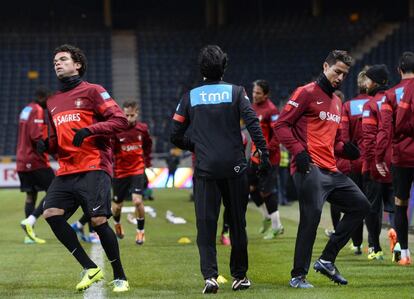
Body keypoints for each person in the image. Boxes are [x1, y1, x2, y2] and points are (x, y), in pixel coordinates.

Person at [170, 45, 269, 294]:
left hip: (205, 169)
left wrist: (196, 145)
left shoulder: (190, 96)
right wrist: (262, 150)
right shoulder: (237, 92)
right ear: (224, 67)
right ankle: (240, 276)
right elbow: (252, 121)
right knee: (237, 223)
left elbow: (174, 134)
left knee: (206, 224)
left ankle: (210, 277)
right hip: (235, 168)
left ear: (201, 68)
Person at [274, 50, 370, 288]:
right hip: (309, 168)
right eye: (337, 71)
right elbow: (281, 125)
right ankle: (298, 276)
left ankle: (327, 259)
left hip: (331, 169)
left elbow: (332, 142)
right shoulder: (305, 93)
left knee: (361, 206)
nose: (339, 77)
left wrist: (345, 149)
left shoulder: (337, 103)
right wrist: (298, 151)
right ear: (325, 66)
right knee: (311, 218)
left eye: (344, 74)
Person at [38, 44, 129, 292]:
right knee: (51, 213)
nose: (57, 63)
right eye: (55, 60)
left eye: (63, 59)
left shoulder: (93, 91)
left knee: (98, 220)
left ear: (77, 64)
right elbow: (59, 141)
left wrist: (91, 129)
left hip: (94, 165)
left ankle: (120, 276)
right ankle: (91, 267)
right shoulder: (53, 101)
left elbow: (119, 120)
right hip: (67, 169)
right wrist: (46, 145)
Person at [377, 52, 414, 265]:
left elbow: (384, 129)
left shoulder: (390, 95)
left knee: (400, 203)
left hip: (400, 157)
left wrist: (380, 156)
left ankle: (405, 255)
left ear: (399, 70)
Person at [329, 69, 371, 255]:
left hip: (354, 163)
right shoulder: (380, 102)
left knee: (356, 203)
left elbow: (344, 137)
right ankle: (375, 246)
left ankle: (357, 243)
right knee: (373, 204)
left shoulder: (349, 105)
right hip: (374, 161)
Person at [361, 64, 394, 260]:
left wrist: (370, 163)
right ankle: (399, 248)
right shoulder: (395, 101)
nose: (365, 84)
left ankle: (375, 248)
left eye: (367, 79)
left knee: (372, 208)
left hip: (375, 163)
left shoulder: (370, 105)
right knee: (397, 205)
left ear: (375, 82)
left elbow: (369, 138)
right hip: (396, 162)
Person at [17, 86, 55, 244]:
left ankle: (29, 234)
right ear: (43, 98)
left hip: (22, 160)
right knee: (54, 189)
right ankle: (31, 220)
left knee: (30, 195)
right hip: (35, 160)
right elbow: (36, 136)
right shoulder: (38, 110)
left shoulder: (26, 109)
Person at [112, 101, 152, 245]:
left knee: (137, 200)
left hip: (137, 169)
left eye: (132, 115)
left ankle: (140, 232)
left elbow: (148, 145)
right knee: (117, 206)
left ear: (137, 114)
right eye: (126, 115)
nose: (129, 118)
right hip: (120, 172)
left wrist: (147, 162)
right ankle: (117, 223)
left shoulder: (143, 129)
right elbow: (111, 151)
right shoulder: (116, 131)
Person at [248, 79, 284, 239]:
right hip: (255, 158)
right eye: (254, 92)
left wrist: (265, 151)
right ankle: (267, 217)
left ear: (266, 95)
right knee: (250, 188)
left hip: (270, 159)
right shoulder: (252, 107)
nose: (254, 95)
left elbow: (277, 136)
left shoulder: (272, 110)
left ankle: (277, 226)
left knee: (267, 192)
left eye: (258, 93)